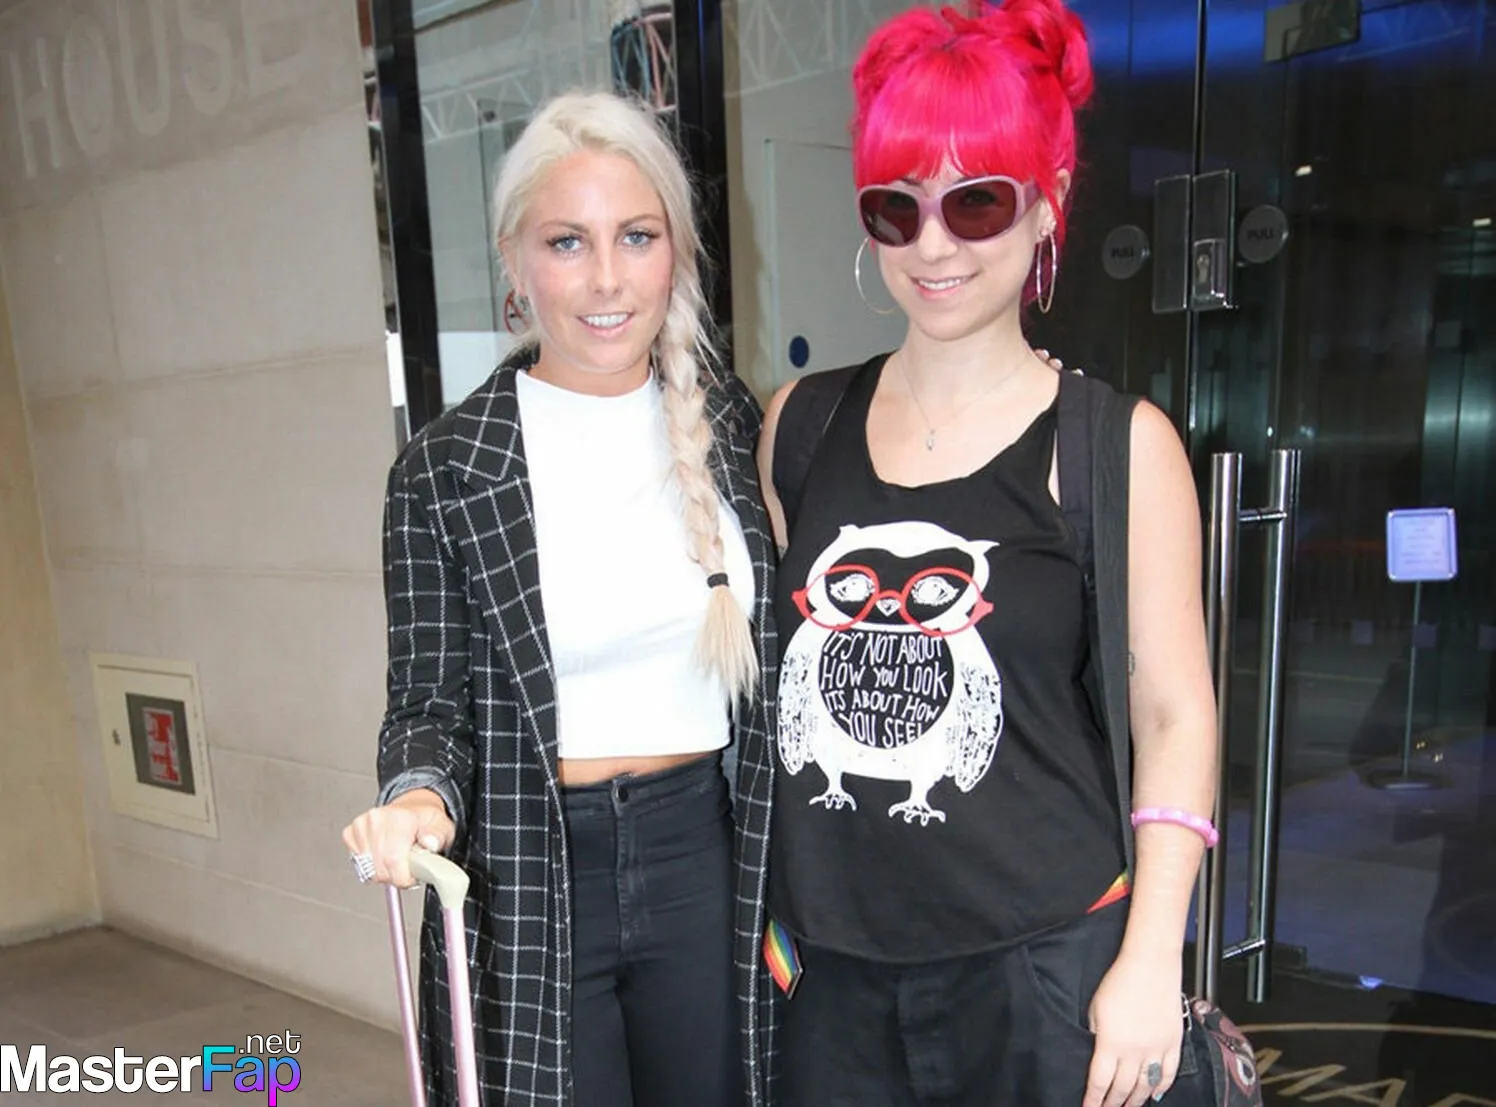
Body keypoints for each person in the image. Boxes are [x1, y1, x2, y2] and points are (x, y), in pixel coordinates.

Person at [754, 3, 1219, 1106]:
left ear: (1044, 205)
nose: (933, 244)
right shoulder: (798, 427)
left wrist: (1152, 957)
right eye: (895, 205)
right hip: (831, 974)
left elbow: (1174, 715)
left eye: (975, 201)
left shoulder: (1115, 447)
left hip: (1042, 966)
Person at [341, 90, 779, 1107]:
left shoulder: (730, 423)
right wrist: (416, 795)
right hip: (529, 868)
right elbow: (426, 702)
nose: (607, 277)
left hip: (705, 852)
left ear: (676, 251)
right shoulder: (446, 469)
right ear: (514, 260)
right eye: (567, 242)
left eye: (637, 236)